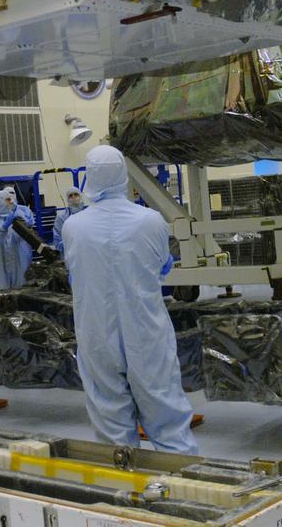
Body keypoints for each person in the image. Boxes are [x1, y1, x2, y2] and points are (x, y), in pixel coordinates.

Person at [62, 145, 197, 454]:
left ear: (89, 176)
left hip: (96, 332)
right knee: (167, 414)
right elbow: (163, 266)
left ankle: (125, 491)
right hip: (145, 331)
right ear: (123, 174)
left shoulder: (73, 227)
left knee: (111, 425)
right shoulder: (151, 221)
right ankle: (183, 486)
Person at [51, 185, 85, 252]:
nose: (74, 197)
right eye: (70, 196)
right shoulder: (61, 217)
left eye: (76, 194)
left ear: (80, 196)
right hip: (69, 254)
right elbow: (57, 240)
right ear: (67, 199)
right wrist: (72, 245)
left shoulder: (88, 214)